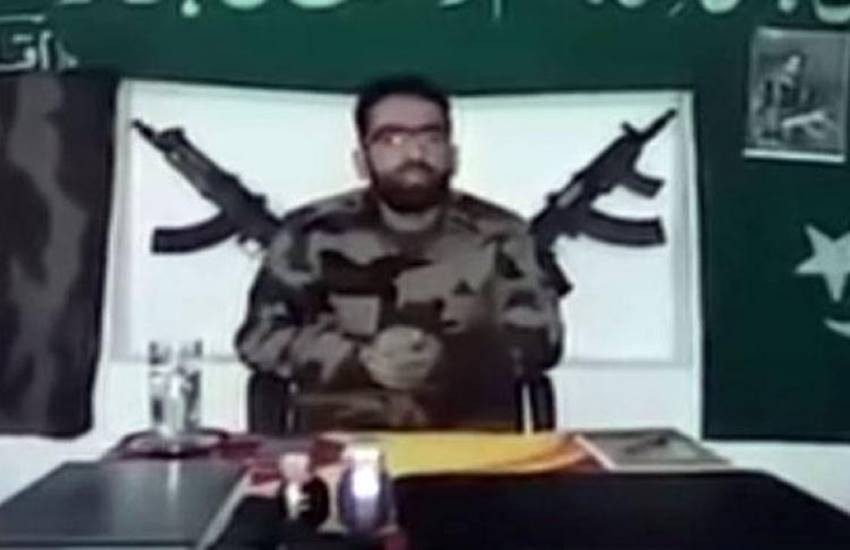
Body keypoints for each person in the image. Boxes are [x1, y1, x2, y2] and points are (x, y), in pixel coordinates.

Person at [235, 75, 564, 431]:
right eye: (392, 140)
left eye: (431, 138)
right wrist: (359, 359)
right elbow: (260, 339)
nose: (415, 155)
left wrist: (447, 357)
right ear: (362, 161)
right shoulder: (310, 232)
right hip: (340, 439)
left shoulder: (502, 233)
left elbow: (540, 341)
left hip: (471, 442)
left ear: (453, 156)